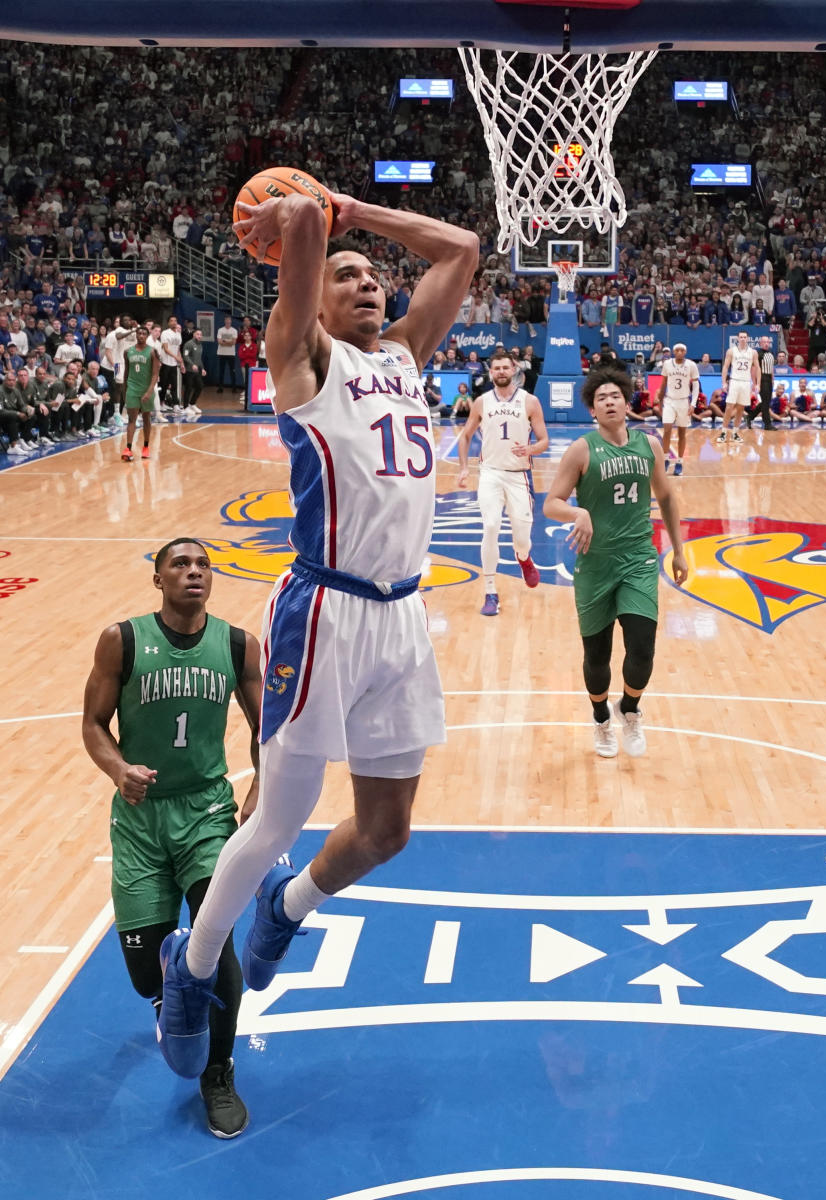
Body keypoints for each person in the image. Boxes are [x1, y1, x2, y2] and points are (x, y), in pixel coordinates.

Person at [155, 186, 478, 1080]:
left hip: (402, 615)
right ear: (311, 302)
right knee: (276, 818)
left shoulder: (409, 358)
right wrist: (309, 212)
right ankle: (190, 972)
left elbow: (461, 244)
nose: (369, 283)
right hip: (323, 610)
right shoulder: (302, 362)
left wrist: (353, 211)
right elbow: (299, 229)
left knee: (386, 831)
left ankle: (286, 909)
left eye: (375, 276)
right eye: (347, 276)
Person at [81, 538, 262, 1138]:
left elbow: (269, 728)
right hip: (139, 821)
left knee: (216, 942)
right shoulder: (123, 640)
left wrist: (262, 786)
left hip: (207, 811)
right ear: (156, 578)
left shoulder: (237, 645)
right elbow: (92, 724)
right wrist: (117, 768)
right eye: (179, 565)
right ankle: (170, 1000)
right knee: (145, 977)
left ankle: (219, 1071)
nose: (193, 573)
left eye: (203, 565)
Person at [543, 366, 688, 758]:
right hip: (595, 564)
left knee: (642, 649)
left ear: (627, 403)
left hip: (639, 559)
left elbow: (667, 497)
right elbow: (551, 503)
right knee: (597, 656)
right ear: (592, 409)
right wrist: (578, 514)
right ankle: (601, 720)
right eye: (600, 398)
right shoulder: (582, 449)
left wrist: (679, 549)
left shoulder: (650, 446)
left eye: (615, 396)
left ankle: (630, 708)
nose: (609, 402)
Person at [456, 349, 549, 615]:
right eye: (496, 368)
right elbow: (464, 437)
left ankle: (523, 558)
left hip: (519, 475)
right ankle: (490, 592)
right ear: (490, 372)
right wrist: (464, 468)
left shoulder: (530, 402)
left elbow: (544, 440)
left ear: (514, 369)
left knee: (522, 538)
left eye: (505, 368)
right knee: (490, 526)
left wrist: (531, 450)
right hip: (490, 473)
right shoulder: (482, 402)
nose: (500, 372)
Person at [656, 341, 698, 476]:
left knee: (681, 433)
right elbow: (663, 384)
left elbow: (696, 386)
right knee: (667, 430)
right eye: (677, 350)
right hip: (669, 400)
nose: (679, 352)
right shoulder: (667, 364)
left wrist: (693, 404)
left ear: (685, 352)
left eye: (682, 350)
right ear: (674, 352)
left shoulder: (691, 365)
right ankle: (666, 459)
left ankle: (679, 462)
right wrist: (660, 401)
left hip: (684, 402)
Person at [121, 326, 160, 462]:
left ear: (147, 335)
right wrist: (125, 389)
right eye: (139, 333)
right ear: (136, 335)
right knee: (132, 419)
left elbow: (155, 374)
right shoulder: (128, 352)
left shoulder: (152, 352)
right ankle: (128, 448)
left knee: (146, 418)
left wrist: (149, 391)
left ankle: (146, 446)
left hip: (146, 389)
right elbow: (126, 372)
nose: (141, 335)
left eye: (144, 333)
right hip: (132, 388)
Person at [719, 330, 759, 444]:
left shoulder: (753, 352)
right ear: (738, 338)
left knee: (741, 409)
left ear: (747, 339)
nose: (742, 339)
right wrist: (724, 382)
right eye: (741, 337)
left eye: (744, 337)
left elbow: (757, 368)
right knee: (729, 407)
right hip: (734, 381)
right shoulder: (731, 351)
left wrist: (756, 383)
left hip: (746, 382)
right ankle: (723, 432)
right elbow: (725, 367)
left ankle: (735, 433)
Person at [215, 315, 241, 392]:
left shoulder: (234, 330)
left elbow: (234, 342)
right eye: (226, 320)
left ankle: (234, 388)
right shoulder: (220, 330)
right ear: (224, 321)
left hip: (231, 354)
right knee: (221, 371)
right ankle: (220, 387)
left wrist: (225, 341)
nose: (227, 321)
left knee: (232, 371)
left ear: (231, 321)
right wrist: (229, 342)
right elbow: (219, 341)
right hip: (221, 353)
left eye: (229, 320)